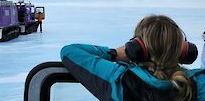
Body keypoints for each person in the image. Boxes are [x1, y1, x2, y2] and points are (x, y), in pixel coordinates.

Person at [61, 15, 205, 101]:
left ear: (136, 48)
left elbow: (70, 52)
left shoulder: (120, 80)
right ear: (184, 51)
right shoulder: (199, 84)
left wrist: (115, 54)